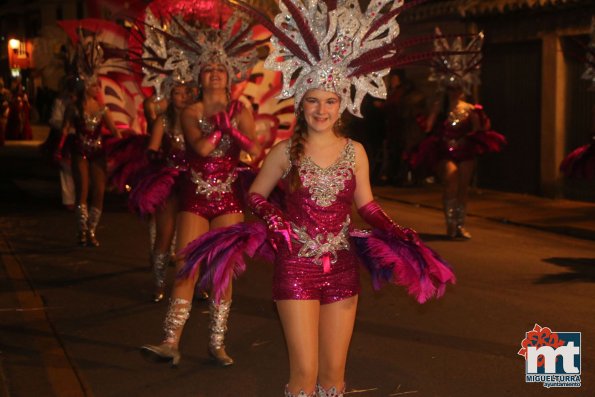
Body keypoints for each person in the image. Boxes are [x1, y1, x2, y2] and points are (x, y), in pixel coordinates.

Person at [181, 2, 456, 396]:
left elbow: (367, 206)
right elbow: (255, 194)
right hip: (296, 264)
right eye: (313, 100)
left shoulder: (355, 151)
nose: (321, 109)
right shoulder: (284, 151)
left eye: (329, 101)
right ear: (300, 102)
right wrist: (274, 219)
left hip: (342, 266)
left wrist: (398, 231)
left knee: (333, 375)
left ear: (341, 102)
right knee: (304, 372)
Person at [140, 11, 262, 367]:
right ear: (200, 75)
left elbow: (252, 148)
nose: (214, 74)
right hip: (194, 195)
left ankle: (217, 343)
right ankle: (170, 341)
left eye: (220, 70)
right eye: (208, 69)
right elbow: (202, 149)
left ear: (229, 76)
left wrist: (233, 126)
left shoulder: (243, 108)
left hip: (228, 196)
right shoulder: (190, 110)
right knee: (186, 266)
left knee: (223, 270)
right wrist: (223, 127)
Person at [410, 29, 505, 240]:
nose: (456, 91)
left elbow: (478, 130)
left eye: (459, 87)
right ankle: (450, 225)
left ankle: (460, 225)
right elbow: (428, 127)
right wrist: (433, 110)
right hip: (445, 151)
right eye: (452, 87)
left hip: (465, 151)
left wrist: (480, 123)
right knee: (451, 181)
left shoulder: (470, 108)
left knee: (463, 187)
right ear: (447, 87)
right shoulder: (440, 104)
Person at [134, 83, 190, 302]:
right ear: (170, 96)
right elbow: (153, 150)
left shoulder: (197, 118)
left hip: (193, 182)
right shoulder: (163, 121)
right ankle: (158, 283)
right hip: (168, 184)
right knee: (165, 233)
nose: (183, 97)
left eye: (187, 93)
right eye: (177, 92)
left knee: (194, 236)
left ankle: (191, 284)